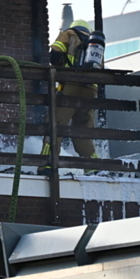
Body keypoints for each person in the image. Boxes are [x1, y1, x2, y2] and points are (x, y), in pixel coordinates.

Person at [40, 19, 99, 175]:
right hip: (91, 90)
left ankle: (47, 164)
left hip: (71, 86)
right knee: (82, 130)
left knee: (55, 126)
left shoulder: (68, 34)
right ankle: (92, 166)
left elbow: (55, 54)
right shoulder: (95, 45)